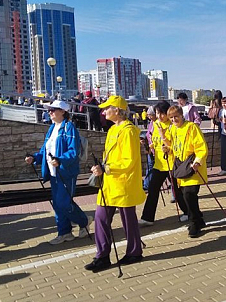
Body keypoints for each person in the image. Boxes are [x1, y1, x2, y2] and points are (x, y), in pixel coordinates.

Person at [85, 95, 146, 272]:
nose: (103, 112)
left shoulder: (129, 131)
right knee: (100, 218)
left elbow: (129, 160)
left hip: (123, 183)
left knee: (128, 220)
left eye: (107, 109)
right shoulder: (112, 130)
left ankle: (134, 252)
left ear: (117, 110)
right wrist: (101, 168)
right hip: (110, 183)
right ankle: (102, 255)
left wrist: (107, 168)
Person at [25, 100, 92, 245]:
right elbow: (46, 151)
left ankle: (84, 221)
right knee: (57, 204)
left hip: (66, 172)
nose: (50, 112)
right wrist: (35, 158)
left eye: (53, 110)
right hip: (53, 172)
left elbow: (73, 151)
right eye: (49, 110)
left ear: (63, 112)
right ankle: (65, 232)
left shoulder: (69, 127)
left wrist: (60, 160)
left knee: (63, 203)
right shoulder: (52, 128)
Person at [139, 101, 188, 226]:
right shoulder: (155, 124)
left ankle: (188, 212)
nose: (160, 116)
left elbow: (175, 144)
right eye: (157, 113)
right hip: (159, 164)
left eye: (162, 113)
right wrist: (150, 146)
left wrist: (167, 146)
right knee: (153, 189)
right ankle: (147, 217)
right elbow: (154, 140)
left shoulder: (172, 126)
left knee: (177, 190)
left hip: (172, 163)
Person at [164, 105, 208, 238]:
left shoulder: (191, 127)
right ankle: (198, 218)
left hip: (192, 166)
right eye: (171, 118)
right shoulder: (172, 129)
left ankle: (194, 223)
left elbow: (201, 147)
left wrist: (197, 162)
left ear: (182, 115)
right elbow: (173, 146)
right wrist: (167, 149)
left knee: (189, 194)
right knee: (184, 196)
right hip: (179, 167)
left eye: (176, 116)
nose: (173, 120)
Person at [142, 105, 156, 192]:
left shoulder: (158, 123)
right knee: (150, 167)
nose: (149, 117)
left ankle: (175, 192)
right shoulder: (151, 123)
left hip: (157, 150)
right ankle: (146, 185)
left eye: (150, 115)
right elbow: (148, 134)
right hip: (150, 149)